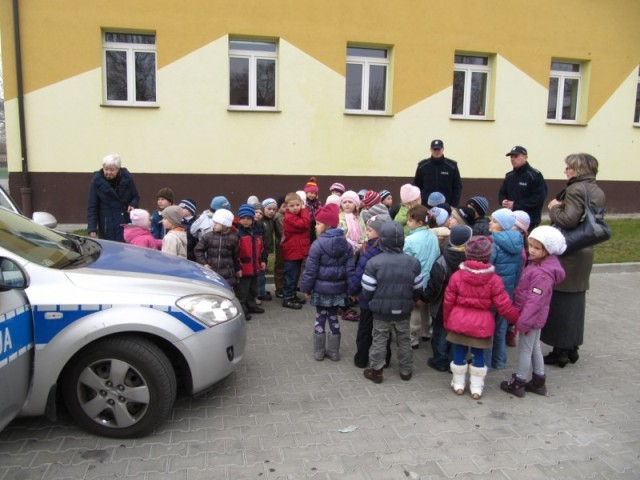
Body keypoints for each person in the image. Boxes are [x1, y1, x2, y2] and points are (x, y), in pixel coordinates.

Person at [542, 153, 606, 367]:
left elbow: (568, 220)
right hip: (584, 249)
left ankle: (560, 350)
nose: (566, 171)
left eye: (569, 167)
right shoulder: (596, 190)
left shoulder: (576, 189)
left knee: (562, 300)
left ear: (578, 170)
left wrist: (554, 208)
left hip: (569, 251)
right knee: (576, 300)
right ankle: (571, 347)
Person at [444, 236, 520, 399]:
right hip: (482, 325)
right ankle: (476, 388)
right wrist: (517, 321)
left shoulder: (457, 276)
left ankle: (458, 383)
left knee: (459, 351)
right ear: (488, 256)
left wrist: (447, 320)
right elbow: (504, 305)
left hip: (459, 322)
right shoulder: (494, 280)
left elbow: (448, 301)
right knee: (479, 354)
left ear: (467, 254)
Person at [500, 226, 566, 397]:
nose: (532, 250)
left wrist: (523, 322)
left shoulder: (542, 274)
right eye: (531, 246)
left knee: (525, 349)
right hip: (534, 318)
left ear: (548, 250)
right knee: (534, 347)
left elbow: (534, 302)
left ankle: (518, 382)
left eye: (537, 248)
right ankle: (538, 381)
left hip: (530, 319)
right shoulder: (538, 265)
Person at [362, 221, 423, 384]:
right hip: (403, 310)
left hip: (381, 311)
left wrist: (373, 300)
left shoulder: (374, 262)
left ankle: (376, 372)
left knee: (379, 340)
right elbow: (418, 287)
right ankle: (406, 371)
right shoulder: (413, 262)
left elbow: (367, 289)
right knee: (404, 340)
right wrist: (413, 299)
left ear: (382, 240)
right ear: (402, 240)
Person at [300, 203, 355, 362]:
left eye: (317, 223)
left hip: (321, 290)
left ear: (327, 225)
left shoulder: (317, 245)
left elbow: (310, 270)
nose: (315, 226)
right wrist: (351, 290)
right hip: (338, 291)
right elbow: (350, 270)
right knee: (333, 317)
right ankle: (334, 352)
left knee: (320, 317)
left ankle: (319, 352)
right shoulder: (347, 245)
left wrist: (306, 288)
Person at [422, 224, 472, 372]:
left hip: (442, 306)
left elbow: (434, 285)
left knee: (440, 334)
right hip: (463, 306)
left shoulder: (441, 261)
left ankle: (439, 360)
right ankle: (454, 361)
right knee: (457, 335)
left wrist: (426, 297)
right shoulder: (472, 261)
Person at [349, 212, 391, 368]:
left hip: (368, 299)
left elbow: (360, 274)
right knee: (384, 331)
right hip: (385, 300)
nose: (367, 233)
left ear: (379, 233)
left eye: (370, 231)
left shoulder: (370, 251)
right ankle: (385, 359)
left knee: (365, 330)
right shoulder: (391, 249)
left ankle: (361, 358)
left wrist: (352, 291)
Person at [485, 208, 523, 370]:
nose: (490, 223)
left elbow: (488, 269)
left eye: (494, 221)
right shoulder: (518, 242)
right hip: (507, 293)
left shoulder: (493, 243)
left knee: (487, 329)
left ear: (501, 225)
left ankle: (485, 362)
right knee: (501, 328)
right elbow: (519, 270)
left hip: (493, 293)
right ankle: (499, 361)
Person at [403, 205, 440, 349]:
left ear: (419, 223)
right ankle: (426, 332)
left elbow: (407, 262)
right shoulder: (433, 236)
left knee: (415, 309)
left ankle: (413, 338)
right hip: (431, 279)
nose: (408, 224)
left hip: (416, 280)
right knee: (426, 308)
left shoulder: (410, 240)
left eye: (410, 221)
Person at [87, 153, 140, 242]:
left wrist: (132, 204)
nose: (108, 172)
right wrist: (92, 228)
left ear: (118, 169)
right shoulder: (97, 182)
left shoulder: (127, 178)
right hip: (107, 226)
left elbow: (135, 196)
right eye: (106, 169)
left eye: (112, 170)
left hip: (125, 224)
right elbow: (92, 207)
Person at [498, 146, 547, 232]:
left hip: (529, 220)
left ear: (525, 157)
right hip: (510, 219)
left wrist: (516, 205)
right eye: (511, 157)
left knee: (527, 244)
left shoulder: (534, 175)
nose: (512, 159)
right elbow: (502, 193)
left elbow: (539, 198)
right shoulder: (509, 176)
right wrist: (503, 201)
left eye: (516, 156)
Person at [194, 208, 241, 289]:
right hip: (212, 272)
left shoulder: (233, 238)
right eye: (214, 222)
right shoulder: (208, 236)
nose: (213, 225)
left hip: (228, 275)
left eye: (216, 223)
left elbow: (235, 256)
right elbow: (198, 250)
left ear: (224, 224)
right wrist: (204, 263)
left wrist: (238, 269)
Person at [235, 203, 267, 319]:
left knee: (253, 288)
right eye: (243, 218)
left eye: (248, 218)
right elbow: (235, 252)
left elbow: (262, 247)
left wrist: (263, 259)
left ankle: (251, 305)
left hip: (256, 265)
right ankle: (243, 309)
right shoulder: (238, 233)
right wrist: (238, 266)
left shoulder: (257, 231)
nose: (246, 221)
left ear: (253, 219)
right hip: (244, 267)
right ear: (239, 219)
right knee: (243, 291)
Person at [281, 192, 311, 309]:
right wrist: (304, 210)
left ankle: (292, 294)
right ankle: (287, 298)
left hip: (298, 251)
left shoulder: (297, 215)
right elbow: (304, 223)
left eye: (298, 205)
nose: (295, 208)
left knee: (296, 274)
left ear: (301, 204)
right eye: (292, 206)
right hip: (292, 252)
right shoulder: (289, 218)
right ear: (287, 206)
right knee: (290, 275)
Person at [413, 139, 463, 207]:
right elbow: (416, 186)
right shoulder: (422, 166)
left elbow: (457, 187)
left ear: (443, 149)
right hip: (426, 205)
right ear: (431, 150)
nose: (437, 151)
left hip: (446, 205)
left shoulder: (452, 166)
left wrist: (453, 206)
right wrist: (419, 204)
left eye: (438, 149)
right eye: (434, 149)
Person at [258, 198, 278, 301]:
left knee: (263, 271)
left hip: (265, 250)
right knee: (261, 272)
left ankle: (261, 289)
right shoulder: (261, 222)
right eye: (269, 209)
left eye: (274, 209)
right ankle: (260, 292)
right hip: (260, 250)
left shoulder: (270, 220)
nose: (271, 211)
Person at [338, 190, 367, 255]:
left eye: (350, 202)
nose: (347, 204)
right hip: (343, 250)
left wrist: (361, 244)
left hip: (358, 250)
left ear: (355, 205)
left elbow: (364, 233)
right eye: (344, 202)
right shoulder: (339, 218)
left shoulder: (359, 219)